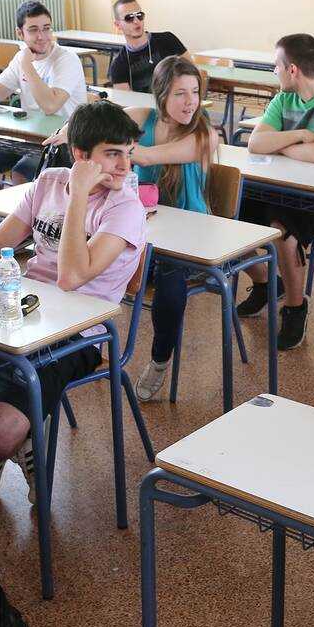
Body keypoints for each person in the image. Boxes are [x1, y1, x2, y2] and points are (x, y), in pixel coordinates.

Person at [0, 101, 146, 507]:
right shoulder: (48, 182)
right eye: (113, 154)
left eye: (128, 153)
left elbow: (71, 277)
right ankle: (20, 435)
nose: (124, 167)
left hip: (78, 333)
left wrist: (78, 196)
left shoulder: (125, 208)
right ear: (80, 155)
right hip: (21, 310)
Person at [235, 33, 314, 350]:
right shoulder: (283, 99)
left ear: (292, 70)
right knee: (228, 215)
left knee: (282, 230)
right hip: (279, 187)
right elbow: (255, 143)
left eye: (276, 66)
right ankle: (265, 283)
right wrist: (302, 136)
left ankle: (295, 306)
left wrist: (281, 145)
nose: (274, 72)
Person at [118, 56, 218, 400]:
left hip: (191, 235)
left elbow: (146, 157)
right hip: (145, 226)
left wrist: (112, 145)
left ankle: (159, 360)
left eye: (195, 92)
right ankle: (84, 345)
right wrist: (73, 129)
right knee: (95, 260)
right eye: (180, 93)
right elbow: (98, 120)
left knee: (170, 285)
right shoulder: (140, 117)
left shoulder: (204, 134)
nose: (190, 102)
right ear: (161, 95)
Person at [0, 0, 89, 194]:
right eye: (33, 30)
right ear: (20, 33)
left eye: (46, 28)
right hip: (29, 138)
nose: (42, 36)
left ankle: (23, 211)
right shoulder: (21, 58)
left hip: (63, 141)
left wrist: (27, 66)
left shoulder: (66, 59)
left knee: (21, 174)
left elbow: (50, 105)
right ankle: (6, 211)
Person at [106, 0, 189, 93]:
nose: (136, 21)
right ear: (118, 25)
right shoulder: (118, 65)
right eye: (129, 18)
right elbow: (125, 99)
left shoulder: (167, 40)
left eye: (139, 15)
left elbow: (193, 73)